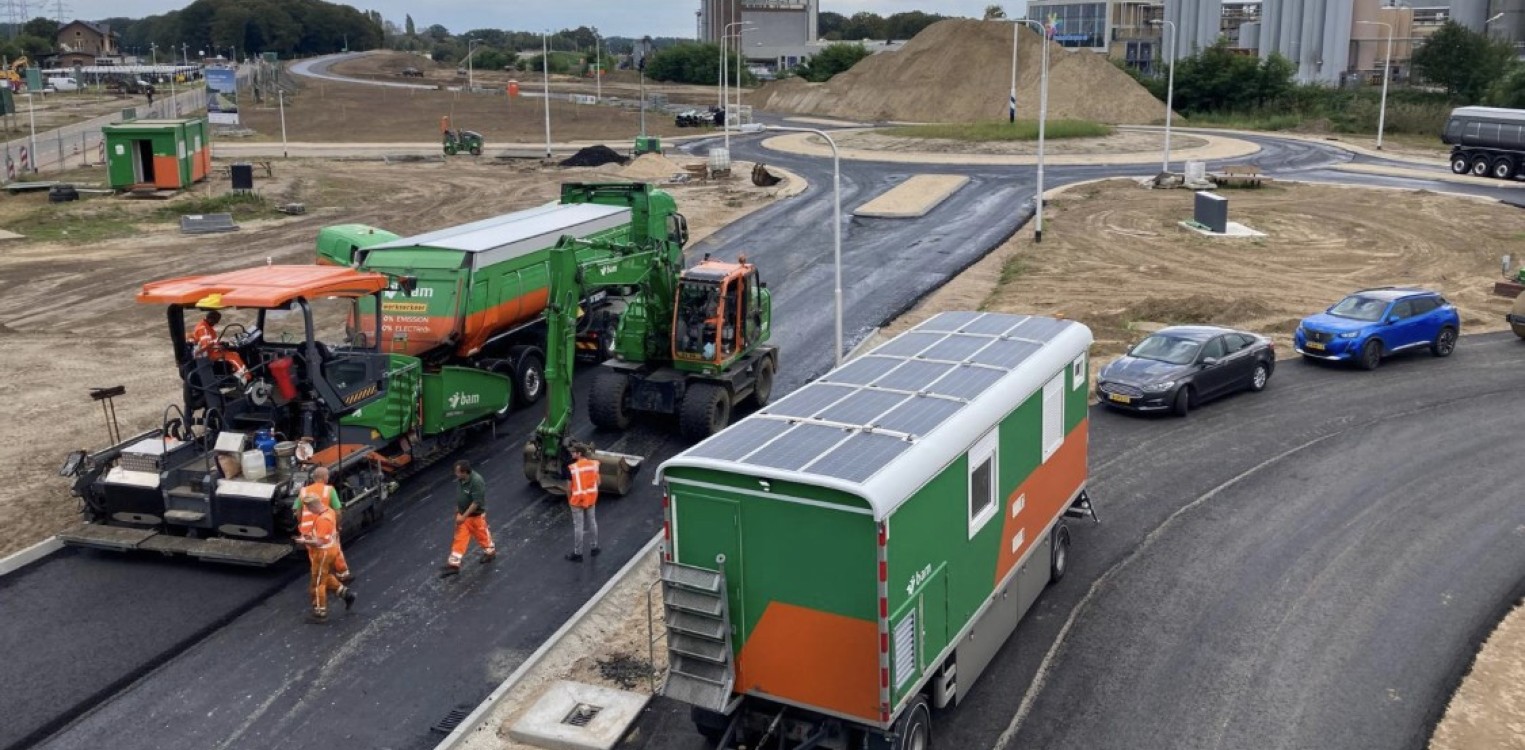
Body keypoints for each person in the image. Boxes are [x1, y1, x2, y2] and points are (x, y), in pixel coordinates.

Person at [294, 492, 355, 623]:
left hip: (323, 553)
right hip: (330, 550)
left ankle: (320, 612)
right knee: (325, 576)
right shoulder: (330, 512)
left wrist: (303, 541)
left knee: (317, 583)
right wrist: (310, 536)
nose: (309, 511)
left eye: (309, 508)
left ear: (312, 506)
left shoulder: (323, 520)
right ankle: (345, 593)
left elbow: (320, 542)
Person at [293, 467, 352, 583]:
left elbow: (297, 511)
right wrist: (337, 525)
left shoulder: (304, 491)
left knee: (314, 555)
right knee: (334, 551)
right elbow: (338, 511)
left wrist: (301, 524)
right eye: (328, 476)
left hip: (308, 531)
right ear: (324, 477)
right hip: (325, 527)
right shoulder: (329, 490)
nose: (328, 478)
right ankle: (343, 575)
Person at [441, 460, 495, 577]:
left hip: (475, 516)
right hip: (463, 516)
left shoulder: (476, 482)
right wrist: (458, 508)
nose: (456, 474)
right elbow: (462, 495)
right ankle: (454, 565)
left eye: (457, 472)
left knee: (482, 535)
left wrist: (464, 516)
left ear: (464, 472)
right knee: (459, 539)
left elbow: (476, 502)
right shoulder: (462, 480)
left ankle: (490, 553)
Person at [190, 308, 250, 384]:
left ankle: (235, 373)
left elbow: (210, 342)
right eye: (216, 321)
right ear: (211, 319)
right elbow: (206, 345)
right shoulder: (204, 329)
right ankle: (246, 377)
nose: (216, 323)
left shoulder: (204, 325)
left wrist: (219, 344)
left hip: (208, 351)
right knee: (234, 356)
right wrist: (219, 347)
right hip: (208, 354)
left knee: (231, 351)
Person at [565, 445, 601, 562]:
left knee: (578, 527)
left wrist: (570, 500)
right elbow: (598, 482)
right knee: (592, 522)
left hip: (577, 500)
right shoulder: (594, 465)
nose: (571, 454)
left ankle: (578, 554)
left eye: (573, 452)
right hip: (591, 498)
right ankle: (594, 548)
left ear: (579, 454)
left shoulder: (572, 468)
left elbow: (569, 488)